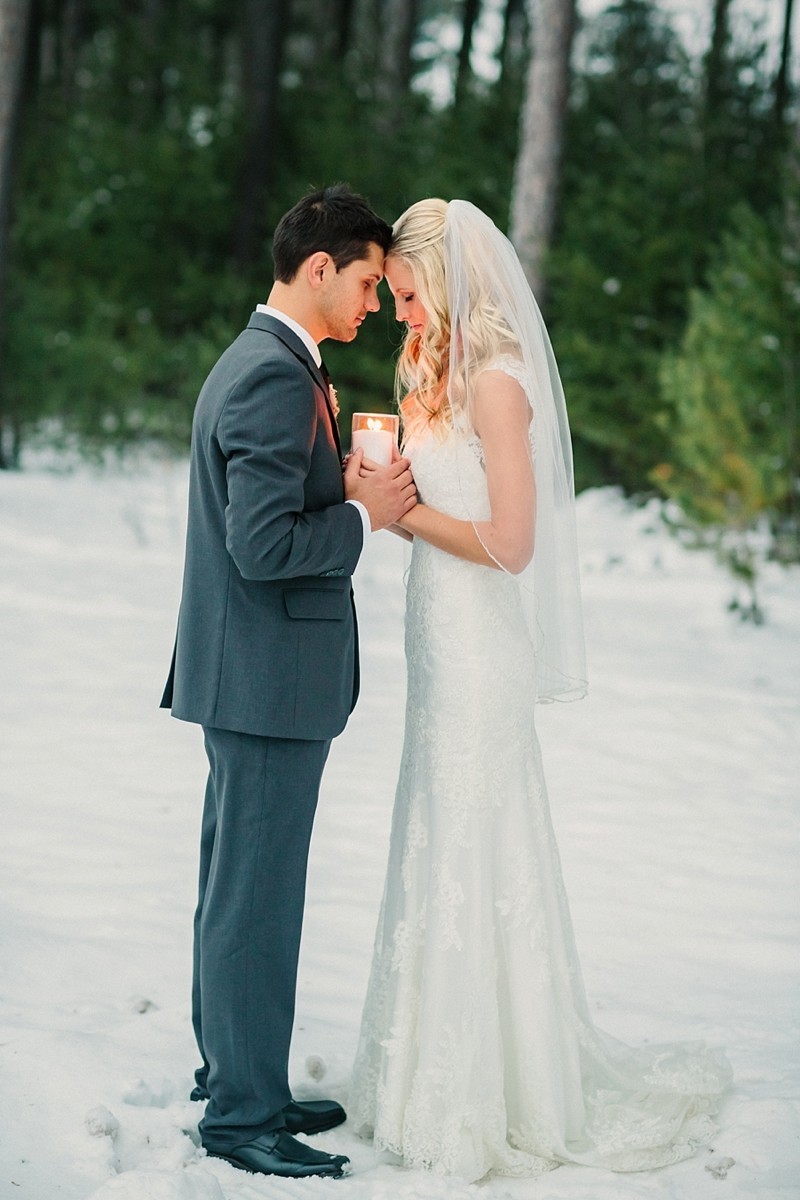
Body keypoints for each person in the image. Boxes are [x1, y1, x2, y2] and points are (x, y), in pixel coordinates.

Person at [349, 198, 731, 1182]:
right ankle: (417, 1075)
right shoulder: (424, 372)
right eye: (389, 297)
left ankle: (493, 1091)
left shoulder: (499, 386)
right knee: (430, 831)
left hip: (480, 648)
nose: (397, 314)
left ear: (445, 283)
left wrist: (400, 518)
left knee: (479, 840)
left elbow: (510, 546)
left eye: (404, 295)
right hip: (432, 641)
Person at [160, 184, 416, 1180]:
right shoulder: (271, 377)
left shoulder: (268, 361)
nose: (368, 301)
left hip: (250, 675)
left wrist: (343, 491)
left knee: (237, 892)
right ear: (317, 267)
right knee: (254, 903)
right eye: (361, 281)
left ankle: (237, 1073)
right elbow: (264, 546)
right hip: (265, 681)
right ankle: (239, 1115)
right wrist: (364, 516)